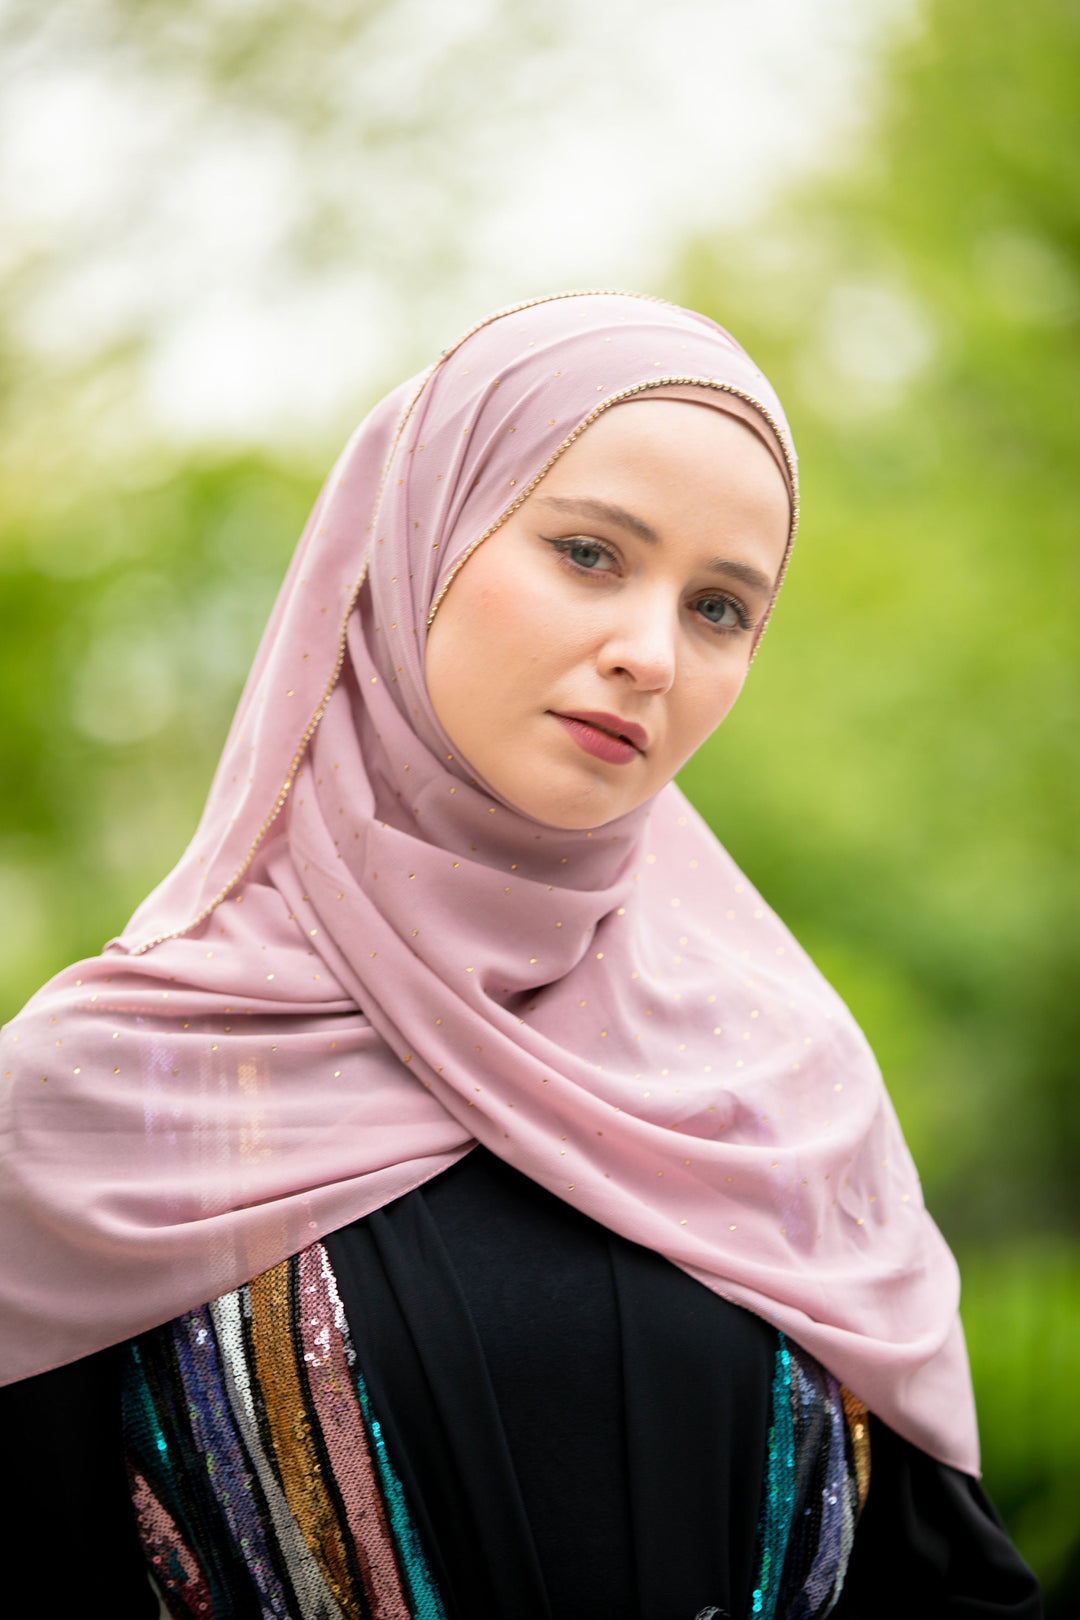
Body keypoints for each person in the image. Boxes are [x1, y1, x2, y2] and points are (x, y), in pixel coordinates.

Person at [0, 291, 1041, 1620]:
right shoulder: (101, 1097)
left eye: (721, 607)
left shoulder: (788, 1092)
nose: (651, 654)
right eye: (592, 554)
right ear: (413, 541)